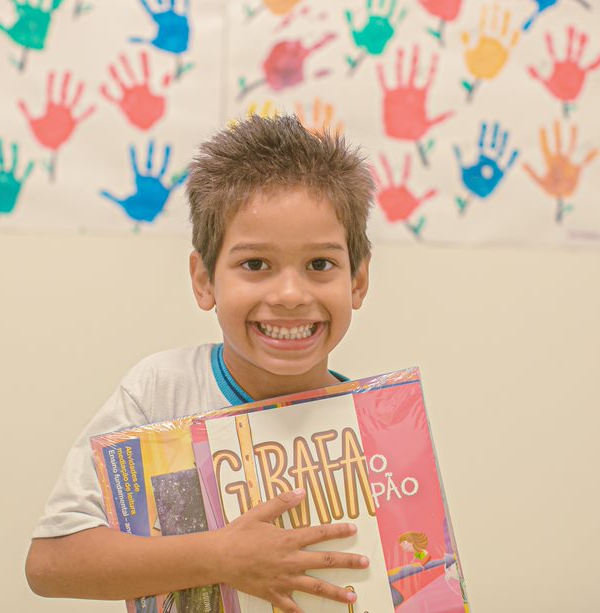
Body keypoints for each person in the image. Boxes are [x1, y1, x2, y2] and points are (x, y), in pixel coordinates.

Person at [25, 114, 375, 613]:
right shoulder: (161, 391)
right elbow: (51, 564)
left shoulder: (379, 430)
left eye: (320, 264)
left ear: (357, 280)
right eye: (255, 264)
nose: (291, 294)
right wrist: (220, 556)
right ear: (204, 280)